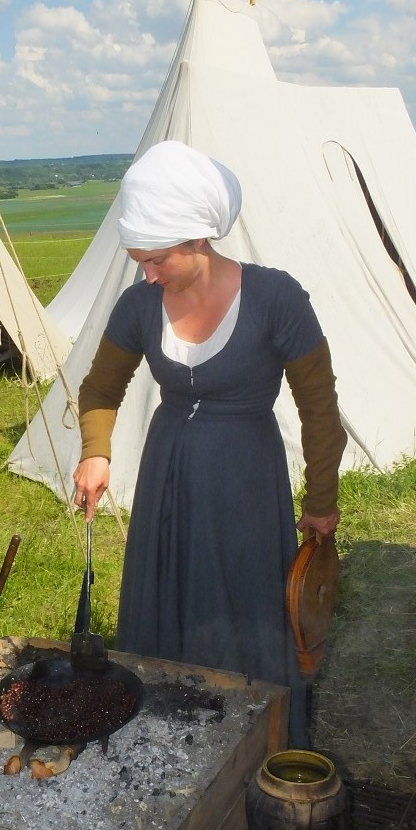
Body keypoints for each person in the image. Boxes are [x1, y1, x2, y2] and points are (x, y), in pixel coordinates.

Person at [72, 140, 347, 747]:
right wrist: (96, 451)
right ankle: (163, 729)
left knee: (244, 605)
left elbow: (320, 409)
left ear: (198, 240)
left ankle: (253, 738)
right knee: (164, 595)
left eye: (156, 258)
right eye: (139, 259)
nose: (146, 272)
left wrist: (321, 499)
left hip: (245, 475)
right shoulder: (140, 305)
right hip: (168, 471)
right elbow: (100, 387)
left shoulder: (276, 298)